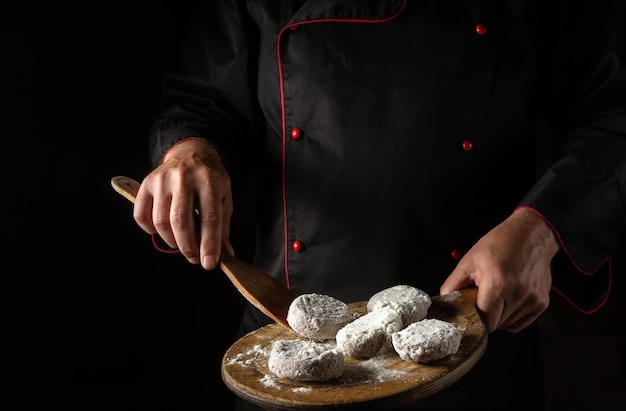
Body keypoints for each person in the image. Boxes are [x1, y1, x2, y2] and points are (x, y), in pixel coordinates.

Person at [132, 1, 626, 409]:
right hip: (289, 341)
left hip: (479, 326)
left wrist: (540, 229)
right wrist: (190, 151)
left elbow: (612, 114)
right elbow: (201, 101)